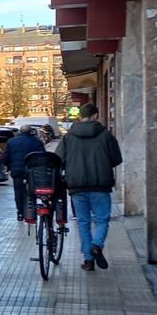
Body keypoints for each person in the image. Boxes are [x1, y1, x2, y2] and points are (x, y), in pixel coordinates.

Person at [56, 103, 122, 271]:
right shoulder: (106, 135)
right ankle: (96, 245)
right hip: (101, 185)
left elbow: (58, 159)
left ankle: (88, 259)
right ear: (95, 116)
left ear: (80, 116)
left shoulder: (68, 137)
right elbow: (116, 159)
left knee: (83, 223)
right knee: (102, 220)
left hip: (77, 186)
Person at [4, 125, 46, 221]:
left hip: (17, 172)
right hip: (32, 172)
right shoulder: (36, 142)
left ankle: (20, 213)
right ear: (30, 131)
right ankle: (31, 212)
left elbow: (5, 157)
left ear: (20, 131)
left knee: (18, 192)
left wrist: (9, 166)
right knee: (31, 192)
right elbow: (42, 157)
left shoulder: (11, 142)